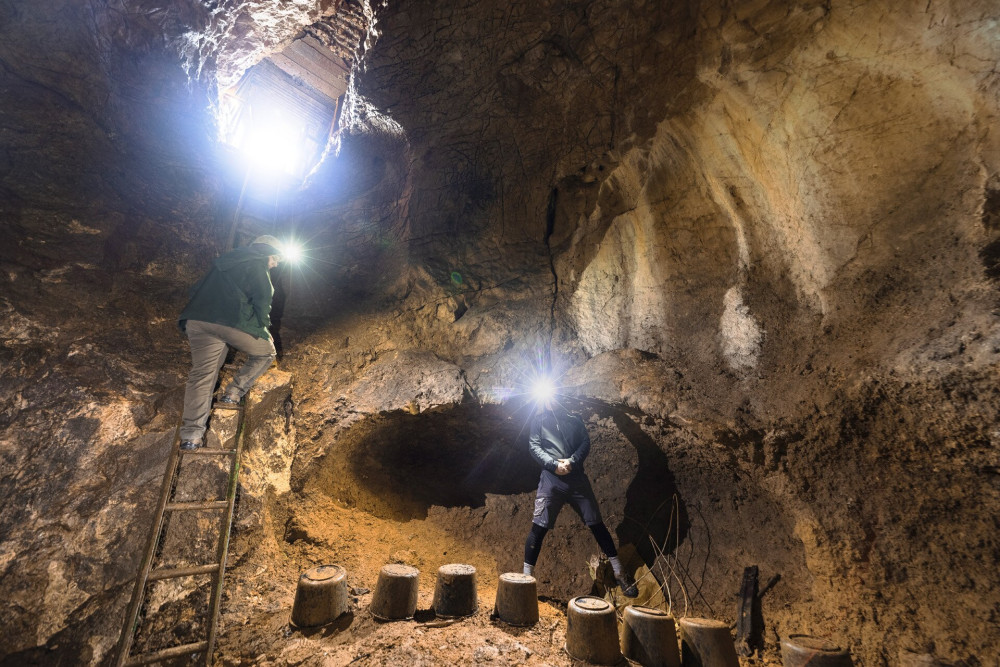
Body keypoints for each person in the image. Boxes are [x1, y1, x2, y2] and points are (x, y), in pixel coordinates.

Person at [522, 398, 638, 597]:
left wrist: (572, 461)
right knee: (538, 528)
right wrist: (553, 465)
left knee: (596, 523)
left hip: (576, 479)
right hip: (551, 481)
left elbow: (585, 441)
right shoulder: (538, 420)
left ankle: (619, 572)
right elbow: (534, 446)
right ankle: (525, 580)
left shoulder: (574, 418)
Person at [176, 235, 283, 451]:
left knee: (202, 375)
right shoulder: (258, 263)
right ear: (269, 253)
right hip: (230, 321)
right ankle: (233, 393)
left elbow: (195, 290)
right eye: (277, 259)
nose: (276, 264)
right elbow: (264, 299)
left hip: (197, 320)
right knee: (266, 352)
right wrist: (263, 330)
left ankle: (191, 437)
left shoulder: (225, 260)